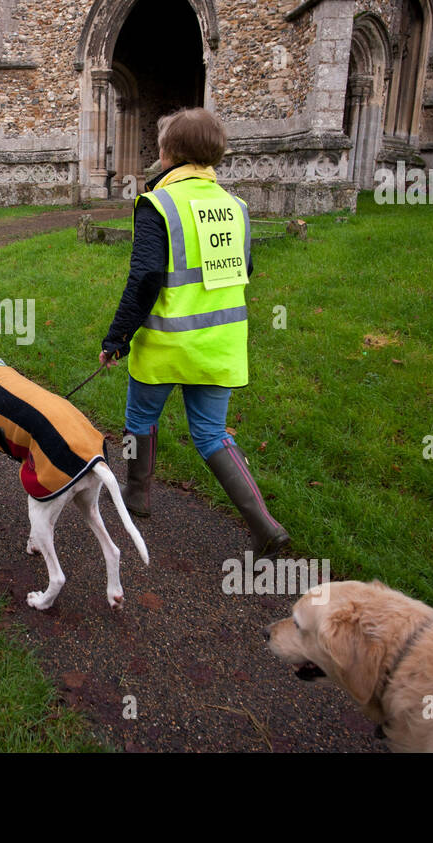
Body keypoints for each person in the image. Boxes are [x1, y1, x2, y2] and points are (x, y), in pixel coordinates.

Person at [99, 107, 289, 555]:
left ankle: (137, 494)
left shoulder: (158, 204)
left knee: (139, 421)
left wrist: (117, 338)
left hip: (166, 342)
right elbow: (244, 268)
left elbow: (144, 278)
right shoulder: (237, 207)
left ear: (168, 152)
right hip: (220, 344)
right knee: (211, 434)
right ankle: (263, 522)